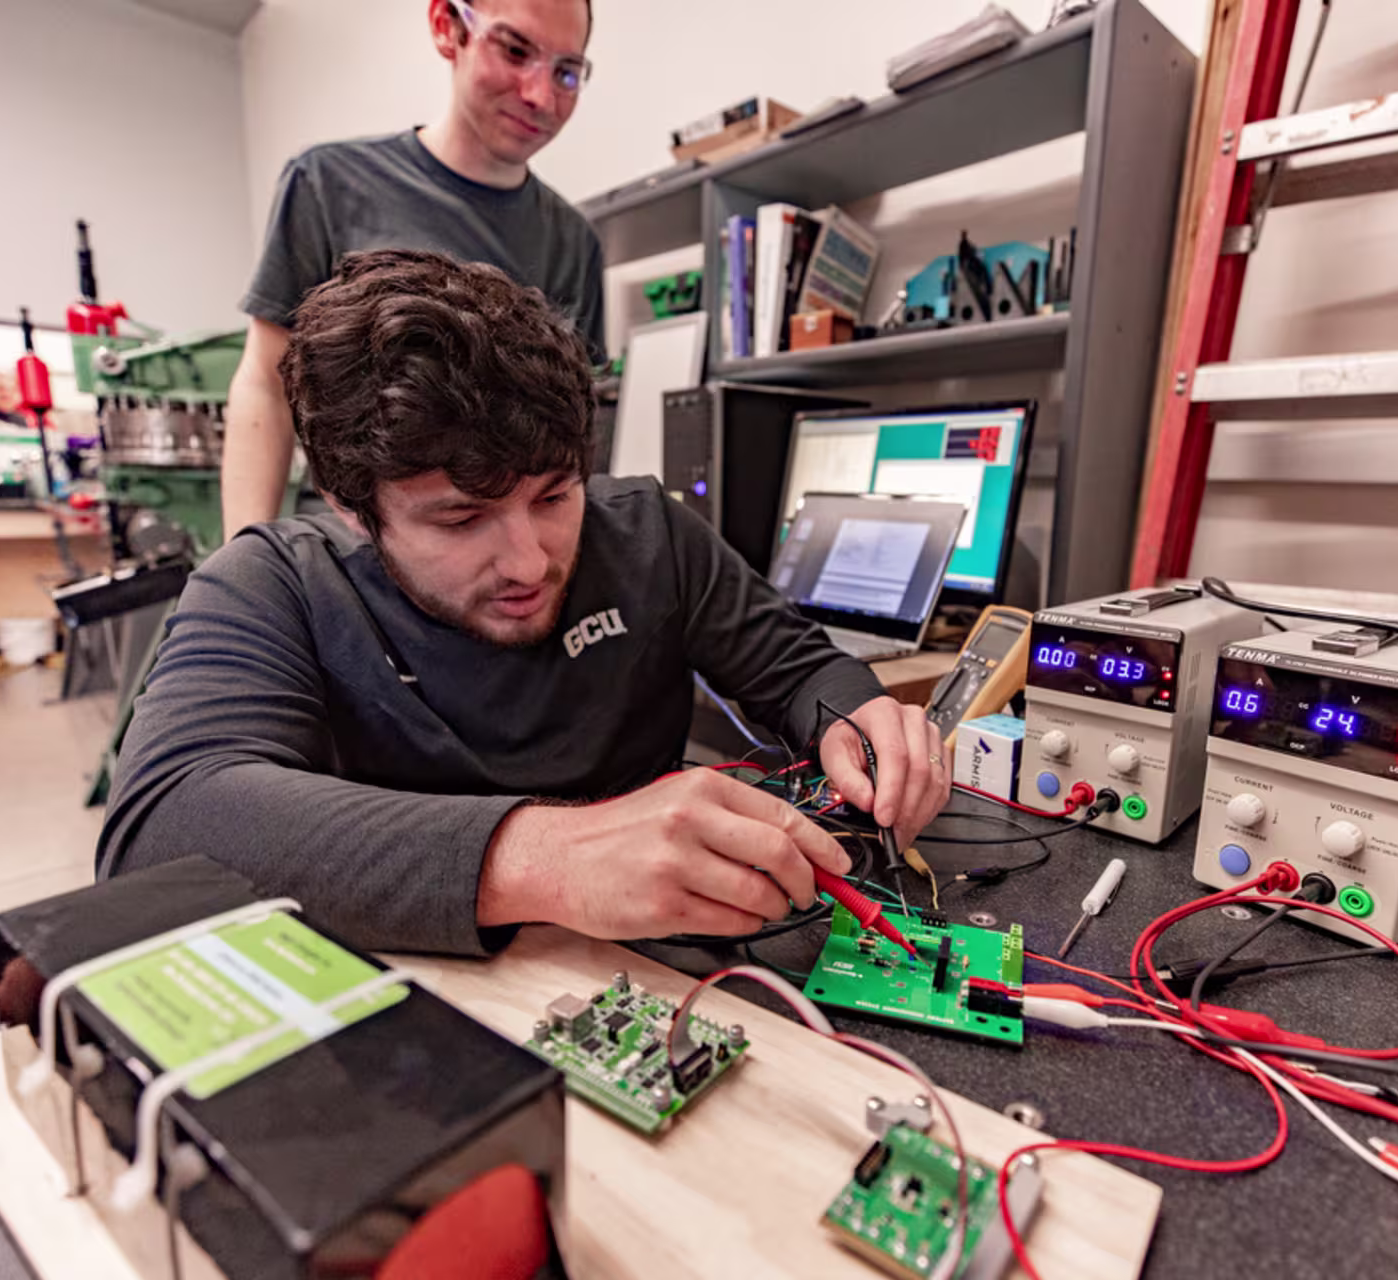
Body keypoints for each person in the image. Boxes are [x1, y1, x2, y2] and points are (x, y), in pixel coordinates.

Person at [99, 251, 950, 956]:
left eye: (554, 495)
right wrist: (541, 857)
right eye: (462, 518)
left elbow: (799, 669)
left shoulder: (650, 531)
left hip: (676, 980)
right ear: (353, 505)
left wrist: (862, 720)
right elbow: (162, 826)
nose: (530, 560)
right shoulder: (274, 585)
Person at [224, 0, 605, 540]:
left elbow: (574, 435)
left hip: (501, 563)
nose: (540, 95)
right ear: (448, 29)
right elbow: (265, 381)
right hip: (357, 552)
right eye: (515, 50)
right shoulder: (329, 186)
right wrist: (242, 563)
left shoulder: (574, 242)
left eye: (566, 72)